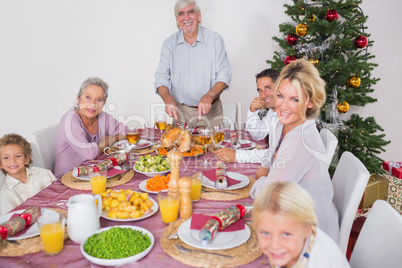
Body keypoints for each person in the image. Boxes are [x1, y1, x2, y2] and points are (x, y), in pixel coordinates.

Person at [250, 59, 339, 242]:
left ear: (310, 103)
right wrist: (267, 172)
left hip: (311, 236)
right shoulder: (285, 123)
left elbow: (268, 196)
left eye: (295, 99)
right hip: (292, 214)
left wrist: (261, 179)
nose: (282, 106)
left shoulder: (301, 140)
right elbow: (272, 159)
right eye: (281, 96)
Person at [154, 0, 232, 127]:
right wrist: (168, 99)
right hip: (181, 113)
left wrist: (209, 96)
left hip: (211, 112)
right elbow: (161, 77)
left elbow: (225, 74)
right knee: (179, 147)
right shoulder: (169, 44)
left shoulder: (215, 40)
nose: (186, 18)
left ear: (199, 15)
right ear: (177, 18)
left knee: (214, 147)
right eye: (181, 14)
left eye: (191, 12)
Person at [253, 181, 350, 268]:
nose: (274, 245)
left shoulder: (320, 262)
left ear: (307, 230)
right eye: (265, 233)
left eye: (286, 234)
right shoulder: (292, 248)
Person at [54, 77, 127, 178]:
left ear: (103, 104)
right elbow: (89, 154)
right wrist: (105, 143)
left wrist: (113, 138)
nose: (93, 104)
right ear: (79, 99)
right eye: (88, 97)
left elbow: (125, 131)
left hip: (94, 175)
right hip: (67, 179)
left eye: (99, 100)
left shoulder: (102, 117)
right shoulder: (69, 121)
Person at [215, 69, 279, 163]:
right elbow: (258, 135)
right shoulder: (273, 112)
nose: (263, 95)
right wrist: (252, 112)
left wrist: (237, 156)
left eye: (268, 88)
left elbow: (278, 154)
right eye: (260, 91)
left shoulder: (288, 115)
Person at [0, 134, 56, 216]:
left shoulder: (44, 173)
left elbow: (58, 195)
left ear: (26, 159)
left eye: (18, 156)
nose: (12, 161)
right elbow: (12, 220)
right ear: (1, 164)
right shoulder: (6, 195)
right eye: (6, 158)